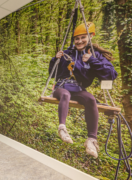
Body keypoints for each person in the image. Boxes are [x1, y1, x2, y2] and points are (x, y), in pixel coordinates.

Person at [49, 22, 118, 158]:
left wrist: (92, 60)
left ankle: (91, 140)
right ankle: (62, 128)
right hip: (62, 87)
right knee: (65, 94)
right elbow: (53, 74)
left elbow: (111, 75)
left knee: (90, 99)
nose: (79, 41)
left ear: (91, 36)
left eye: (83, 38)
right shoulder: (67, 53)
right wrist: (54, 60)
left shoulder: (96, 55)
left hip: (78, 89)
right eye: (77, 38)